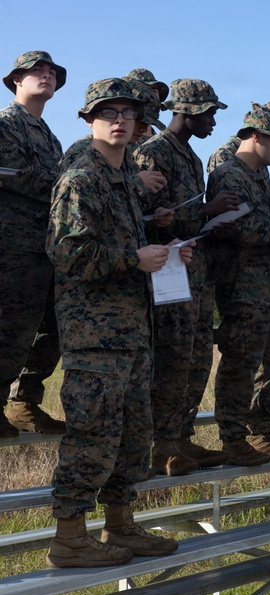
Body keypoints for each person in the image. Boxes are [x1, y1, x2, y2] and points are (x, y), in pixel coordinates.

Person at [46, 78, 190, 567]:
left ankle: (120, 525)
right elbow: (66, 253)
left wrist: (167, 253)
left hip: (132, 329)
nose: (120, 119)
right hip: (95, 333)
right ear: (88, 120)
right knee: (93, 432)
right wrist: (134, 257)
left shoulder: (126, 177)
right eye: (108, 112)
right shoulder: (81, 178)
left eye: (128, 112)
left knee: (133, 432)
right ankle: (68, 537)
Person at [134, 78, 239, 475]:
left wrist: (215, 222)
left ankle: (180, 437)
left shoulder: (192, 158)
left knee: (196, 359)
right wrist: (208, 211)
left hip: (195, 271)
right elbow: (144, 217)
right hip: (165, 274)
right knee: (172, 360)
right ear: (189, 111)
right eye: (209, 113)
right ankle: (158, 445)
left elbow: (187, 213)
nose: (213, 121)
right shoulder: (153, 152)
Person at [207, 102, 270, 465]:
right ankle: (232, 437)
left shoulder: (260, 177)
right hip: (243, 288)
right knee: (239, 365)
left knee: (266, 364)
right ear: (254, 136)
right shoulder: (229, 176)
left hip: (267, 287)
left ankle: (256, 432)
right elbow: (245, 231)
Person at [0, 51, 67, 438]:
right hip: (14, 247)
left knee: (50, 329)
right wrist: (67, 186)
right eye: (36, 72)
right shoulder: (6, 124)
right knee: (12, 328)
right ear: (15, 81)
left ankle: (24, 403)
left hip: (46, 247)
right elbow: (16, 176)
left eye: (51, 73)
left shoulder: (48, 135)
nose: (46, 76)